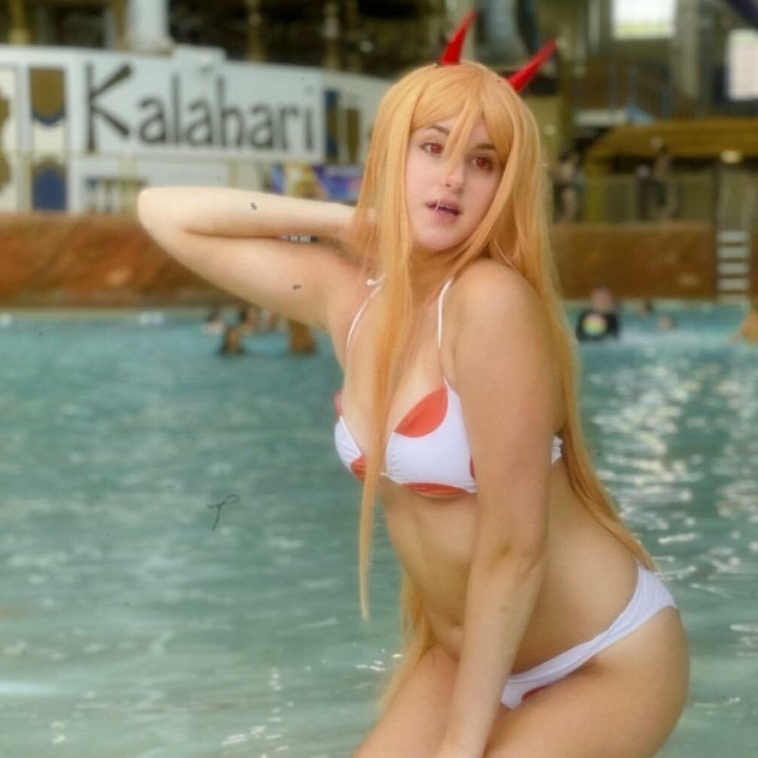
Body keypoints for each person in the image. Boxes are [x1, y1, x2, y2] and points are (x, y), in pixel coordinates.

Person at [137, 14, 688, 757]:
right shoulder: (351, 301)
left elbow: (514, 549)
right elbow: (164, 215)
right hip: (468, 657)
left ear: (504, 187)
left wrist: (461, 745)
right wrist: (349, 220)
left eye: (483, 162)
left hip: (600, 659)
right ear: (391, 154)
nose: (453, 178)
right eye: (431, 148)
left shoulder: (489, 302)